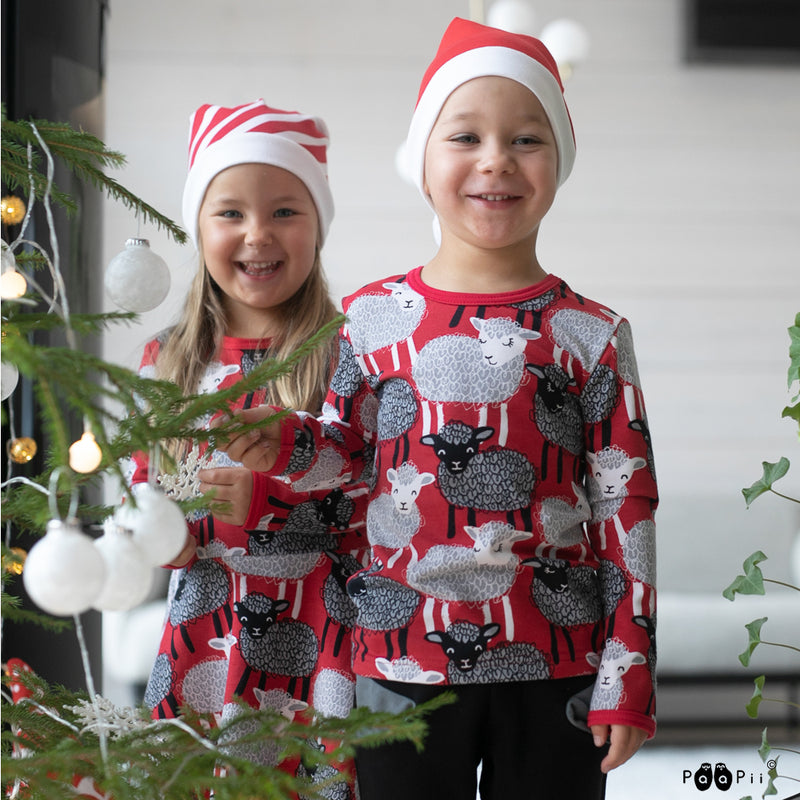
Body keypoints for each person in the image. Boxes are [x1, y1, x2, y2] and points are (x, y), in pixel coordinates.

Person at [218, 18, 658, 800]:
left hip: (556, 656)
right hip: (399, 652)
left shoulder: (592, 335)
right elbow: (347, 467)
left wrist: (627, 668)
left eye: (527, 139)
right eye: (466, 137)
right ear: (421, 162)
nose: (496, 159)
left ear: (559, 162)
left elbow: (628, 509)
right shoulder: (367, 319)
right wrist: (284, 445)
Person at [130, 99, 368, 795]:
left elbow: (377, 498)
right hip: (207, 622)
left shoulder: (347, 354)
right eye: (229, 212)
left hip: (323, 630)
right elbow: (140, 491)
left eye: (285, 212)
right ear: (198, 226)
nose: (257, 234)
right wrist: (164, 528)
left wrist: (269, 497)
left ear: (318, 226)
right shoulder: (165, 362)